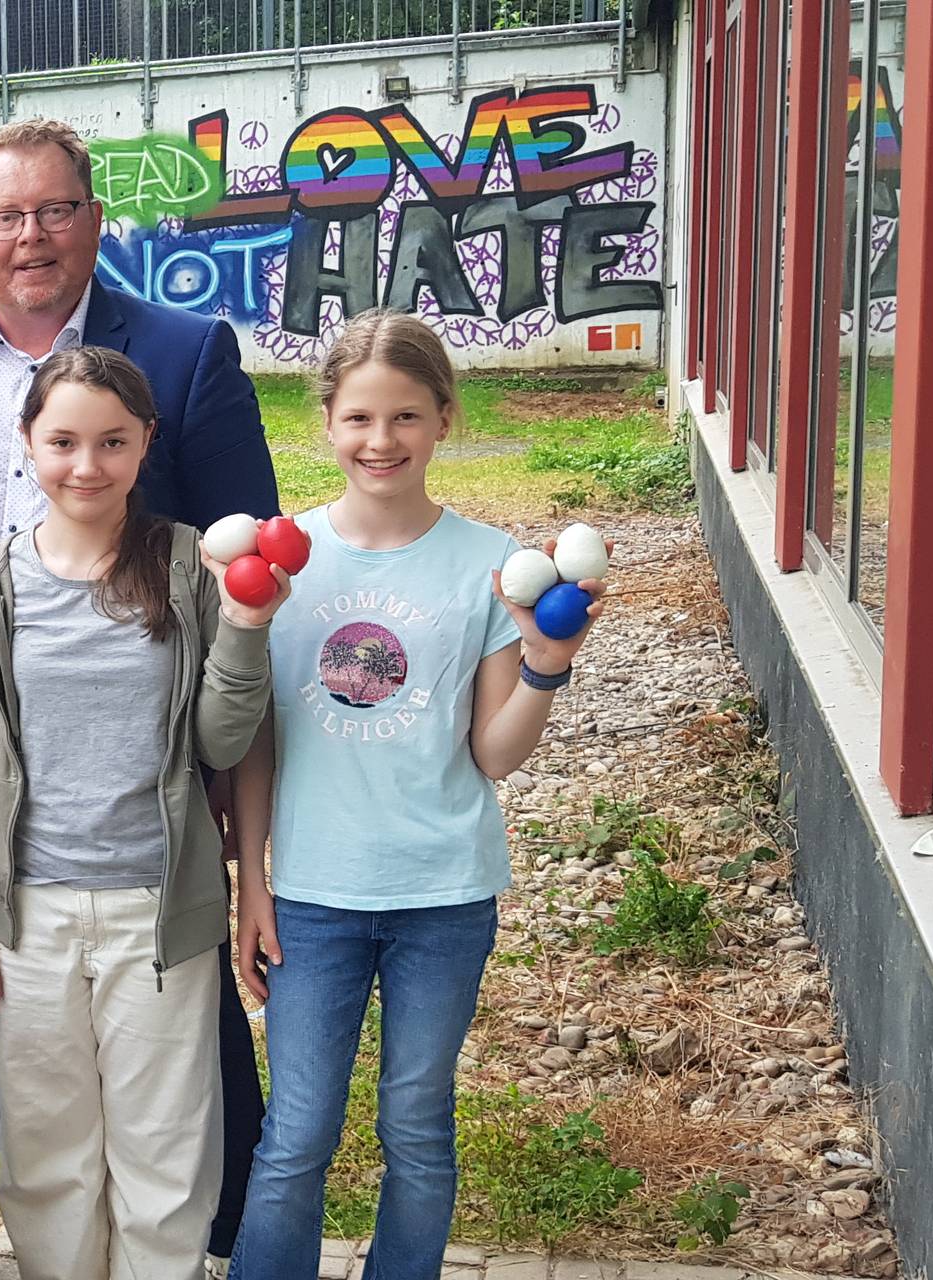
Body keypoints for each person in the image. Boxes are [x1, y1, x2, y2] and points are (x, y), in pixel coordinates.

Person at [0, 117, 283, 1277]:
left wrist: (237, 796)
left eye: (54, 210)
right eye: (4, 216)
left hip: (146, 765)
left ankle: (206, 1244)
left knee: (178, 1021)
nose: (30, 237)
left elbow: (243, 556)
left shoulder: (180, 352)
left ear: (92, 221)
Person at [226, 311, 605, 1280]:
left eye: (403, 415)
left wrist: (544, 667)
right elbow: (258, 745)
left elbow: (490, 755)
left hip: (441, 892)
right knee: (294, 1136)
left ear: (443, 418)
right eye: (358, 417)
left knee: (416, 1125)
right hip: (314, 893)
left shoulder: (484, 567)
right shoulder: (284, 565)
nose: (379, 439)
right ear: (325, 422)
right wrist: (252, 885)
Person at [0, 349, 283, 1280]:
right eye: (64, 442)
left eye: (112, 442)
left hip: (156, 910)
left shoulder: (189, 564)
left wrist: (246, 629)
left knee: (165, 1145)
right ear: (27, 444)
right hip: (28, 913)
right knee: (49, 1154)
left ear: (146, 444)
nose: (86, 466)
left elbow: (220, 738)